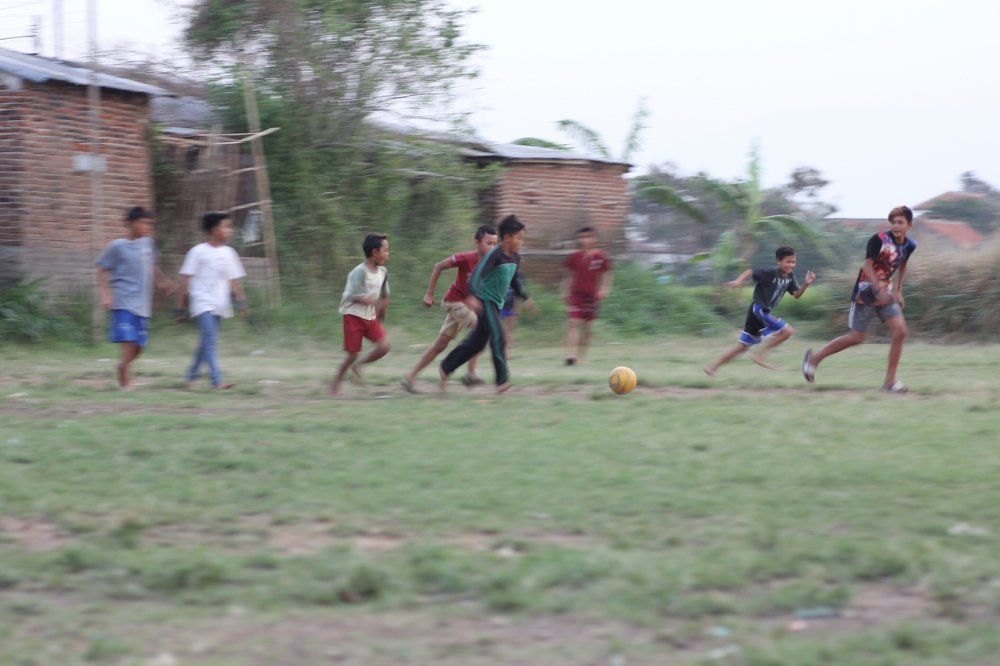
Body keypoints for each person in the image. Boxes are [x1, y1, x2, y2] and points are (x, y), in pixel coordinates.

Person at [803, 206, 916, 392]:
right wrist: (877, 287)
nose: (896, 226)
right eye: (893, 222)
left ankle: (889, 382)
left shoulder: (909, 245)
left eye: (900, 223)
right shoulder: (879, 239)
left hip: (886, 293)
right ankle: (814, 358)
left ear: (909, 225)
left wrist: (898, 290)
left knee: (900, 331)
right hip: (866, 291)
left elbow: (903, 264)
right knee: (857, 337)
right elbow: (866, 265)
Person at [439, 215, 535, 393]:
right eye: (519, 238)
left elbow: (514, 279)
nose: (521, 242)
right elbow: (476, 275)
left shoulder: (514, 257)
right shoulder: (494, 255)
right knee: (499, 337)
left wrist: (525, 296)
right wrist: (474, 295)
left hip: (496, 304)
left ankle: (445, 367)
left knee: (476, 343)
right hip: (485, 301)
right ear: (507, 238)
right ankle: (501, 382)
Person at [401, 225, 497, 393]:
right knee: (479, 326)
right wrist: (429, 294)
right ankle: (471, 374)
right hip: (453, 302)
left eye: (495, 244)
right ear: (477, 242)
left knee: (440, 345)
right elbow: (438, 266)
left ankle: (410, 376)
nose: (492, 248)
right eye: (489, 243)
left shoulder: (492, 265)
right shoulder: (465, 258)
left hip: (465, 306)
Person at [704, 246, 816, 376]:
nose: (791, 265)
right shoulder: (771, 272)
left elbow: (796, 294)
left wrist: (806, 284)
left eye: (793, 262)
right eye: (788, 261)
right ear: (778, 261)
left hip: (756, 313)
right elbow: (751, 271)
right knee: (787, 331)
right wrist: (738, 281)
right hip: (759, 309)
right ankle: (759, 354)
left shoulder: (789, 277)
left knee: (742, 346)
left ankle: (712, 367)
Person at [96, 206, 175, 389]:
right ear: (130, 224)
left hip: (143, 303)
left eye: (150, 224)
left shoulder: (148, 244)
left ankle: (123, 365)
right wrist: (106, 294)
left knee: (139, 346)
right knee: (129, 340)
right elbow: (101, 269)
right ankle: (124, 377)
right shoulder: (117, 247)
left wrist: (163, 282)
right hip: (123, 301)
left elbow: (150, 266)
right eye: (144, 223)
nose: (147, 227)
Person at [175, 212, 248, 389]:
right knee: (210, 338)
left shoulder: (229, 253)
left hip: (220, 303)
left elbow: (234, 281)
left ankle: (190, 376)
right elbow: (186, 280)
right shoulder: (197, 252)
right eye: (226, 226)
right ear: (215, 229)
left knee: (206, 341)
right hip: (202, 302)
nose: (229, 230)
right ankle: (216, 380)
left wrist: (241, 302)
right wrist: (180, 307)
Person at [331, 233, 391, 396]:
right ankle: (336, 383)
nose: (388, 253)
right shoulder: (359, 272)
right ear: (374, 252)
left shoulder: (383, 272)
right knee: (351, 355)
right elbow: (351, 295)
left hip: (370, 317)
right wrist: (371, 302)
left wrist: (382, 310)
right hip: (353, 316)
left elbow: (385, 295)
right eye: (385, 250)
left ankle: (359, 365)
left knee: (384, 346)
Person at [562, 226, 612, 365]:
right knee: (573, 323)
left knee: (587, 328)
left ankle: (581, 357)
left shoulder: (600, 256)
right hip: (576, 295)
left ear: (595, 239)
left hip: (592, 297)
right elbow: (568, 275)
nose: (585, 240)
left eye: (589, 237)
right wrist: (565, 291)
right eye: (582, 237)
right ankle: (569, 356)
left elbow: (607, 274)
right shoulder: (574, 257)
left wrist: (604, 289)